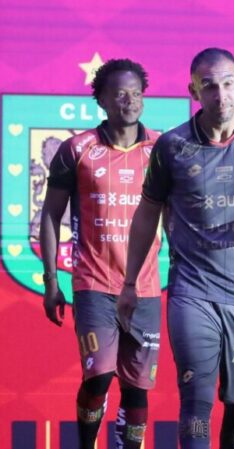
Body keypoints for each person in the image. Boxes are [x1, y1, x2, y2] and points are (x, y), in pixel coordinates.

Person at [117, 47, 234, 449]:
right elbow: (146, 215)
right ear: (194, 91)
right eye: (210, 86)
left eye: (228, 84)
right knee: (196, 403)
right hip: (193, 292)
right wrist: (130, 283)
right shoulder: (172, 146)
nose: (221, 95)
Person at [40, 59, 162, 449]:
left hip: (145, 289)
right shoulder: (76, 149)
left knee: (138, 388)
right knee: (99, 376)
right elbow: (50, 214)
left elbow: (178, 216)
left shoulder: (162, 149)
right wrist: (51, 282)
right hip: (94, 284)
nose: (130, 101)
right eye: (120, 94)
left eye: (136, 93)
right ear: (102, 100)